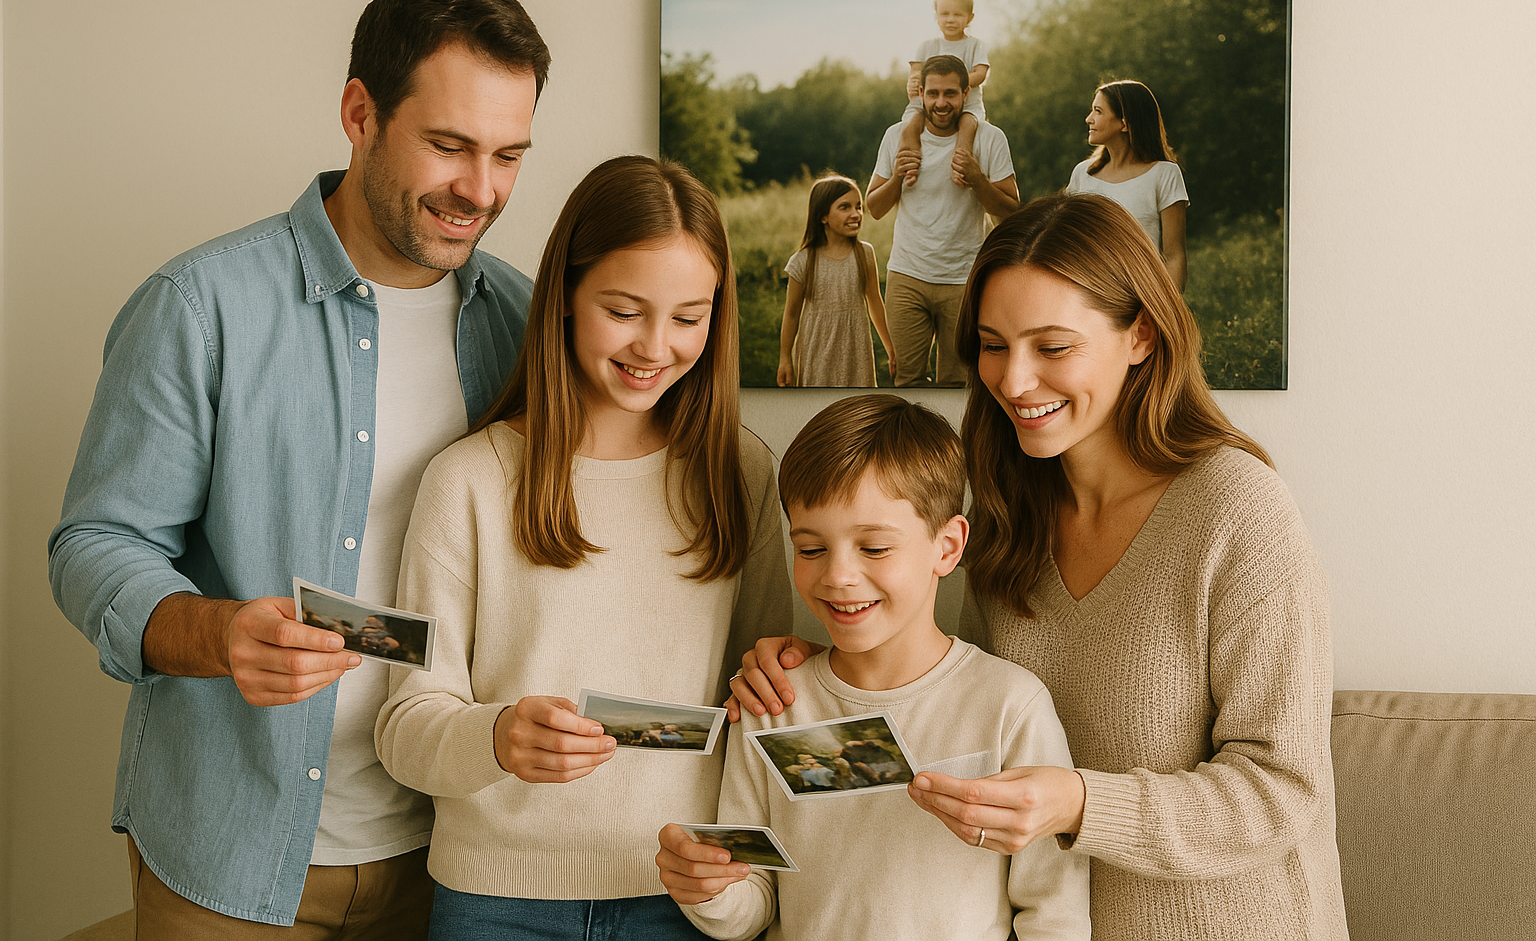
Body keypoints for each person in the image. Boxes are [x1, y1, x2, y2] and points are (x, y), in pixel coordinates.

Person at [48, 0, 548, 936]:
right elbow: (95, 544)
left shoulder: (527, 326)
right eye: (448, 145)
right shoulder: (201, 307)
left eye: (508, 155)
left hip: (451, 853)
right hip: (230, 851)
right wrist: (218, 634)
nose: (480, 190)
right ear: (360, 113)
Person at [729, 195, 1350, 940]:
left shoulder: (1238, 511)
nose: (1015, 380)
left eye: (1052, 347)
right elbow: (954, 703)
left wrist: (1080, 804)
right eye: (993, 345)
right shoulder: (1005, 516)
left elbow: (1283, 791)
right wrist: (813, 669)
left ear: (1140, 335)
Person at [375, 155, 794, 941]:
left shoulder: (742, 474)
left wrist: (787, 674)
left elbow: (763, 713)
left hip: (688, 899)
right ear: (565, 295)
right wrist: (497, 737)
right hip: (494, 902)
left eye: (689, 317)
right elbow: (405, 729)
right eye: (625, 311)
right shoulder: (468, 481)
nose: (656, 346)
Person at [658, 394, 1089, 941]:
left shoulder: (1008, 706)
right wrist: (710, 888)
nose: (838, 575)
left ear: (947, 546)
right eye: (811, 549)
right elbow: (756, 898)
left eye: (875, 548)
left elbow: (1054, 910)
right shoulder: (773, 705)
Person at [868, 54, 1018, 388]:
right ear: (920, 93)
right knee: (907, 383)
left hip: (964, 280)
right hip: (907, 276)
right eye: (933, 93)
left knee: (958, 385)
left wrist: (977, 179)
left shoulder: (990, 138)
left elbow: (1011, 212)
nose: (940, 103)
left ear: (966, 94)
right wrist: (897, 177)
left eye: (950, 93)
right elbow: (874, 208)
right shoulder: (896, 136)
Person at [1066, 80, 1189, 289]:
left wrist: (1165, 307)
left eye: (1098, 111)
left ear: (1124, 123)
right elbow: (1068, 247)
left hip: (1142, 295)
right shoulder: (1082, 174)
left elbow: (1175, 256)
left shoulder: (1164, 174)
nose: (1088, 119)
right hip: (1089, 296)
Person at [775, 175, 895, 388]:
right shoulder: (803, 261)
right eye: (844, 207)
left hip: (855, 349)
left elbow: (875, 302)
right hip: (817, 349)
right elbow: (792, 313)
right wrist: (785, 359)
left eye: (858, 207)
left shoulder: (864, 254)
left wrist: (891, 349)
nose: (855, 214)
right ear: (823, 216)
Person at [897, 0, 990, 188]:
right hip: (929, 106)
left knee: (967, 127)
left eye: (957, 14)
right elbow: (915, 72)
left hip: (967, 106)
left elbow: (980, 74)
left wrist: (954, 82)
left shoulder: (975, 45)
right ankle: (911, 165)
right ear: (936, 16)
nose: (950, 20)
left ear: (970, 18)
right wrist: (913, 81)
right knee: (910, 126)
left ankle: (960, 165)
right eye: (945, 14)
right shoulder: (926, 46)